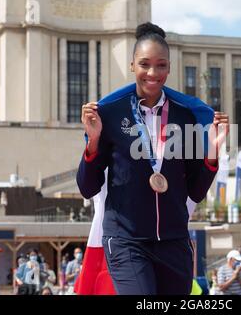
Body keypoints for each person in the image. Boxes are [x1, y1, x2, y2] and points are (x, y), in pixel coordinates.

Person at [77, 22, 228, 295]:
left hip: (174, 242)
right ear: (132, 65)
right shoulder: (110, 115)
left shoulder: (186, 117)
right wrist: (95, 141)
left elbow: (195, 190)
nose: (152, 73)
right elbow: (88, 187)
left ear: (169, 68)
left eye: (160, 65)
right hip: (126, 240)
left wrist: (212, 153)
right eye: (144, 64)